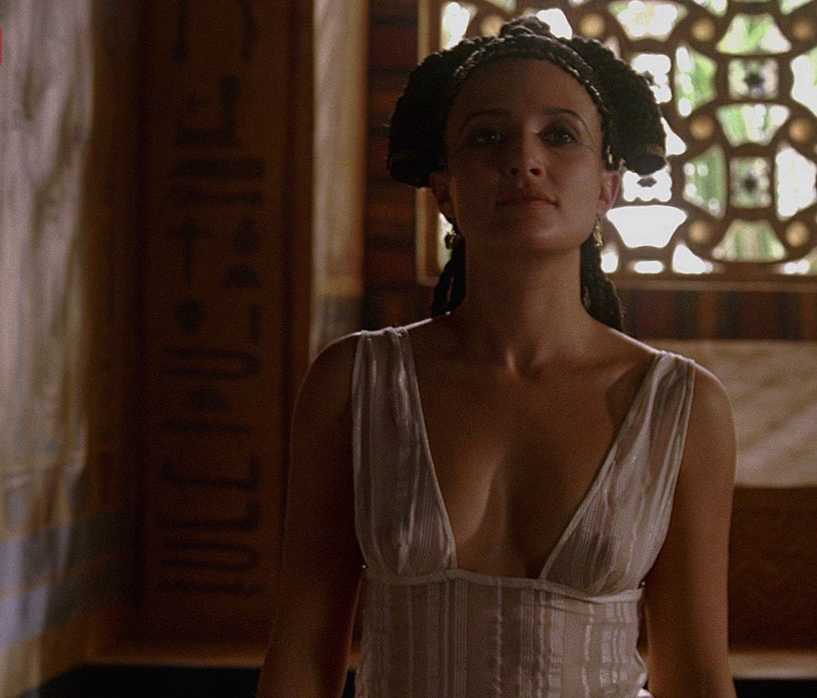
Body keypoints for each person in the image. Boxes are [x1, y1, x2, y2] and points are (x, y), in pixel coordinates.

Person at [258, 17, 737, 698]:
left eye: (560, 135)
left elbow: (696, 675)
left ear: (607, 187)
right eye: (487, 136)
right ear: (445, 190)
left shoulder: (678, 405)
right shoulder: (357, 384)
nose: (524, 159)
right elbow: (303, 655)